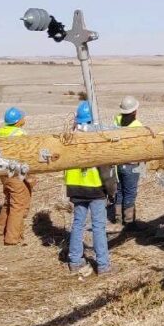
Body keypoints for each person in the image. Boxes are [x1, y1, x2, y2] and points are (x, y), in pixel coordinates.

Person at [65, 101, 116, 277]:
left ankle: (75, 261)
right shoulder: (96, 138)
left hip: (75, 188)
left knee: (78, 224)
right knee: (98, 227)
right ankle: (102, 265)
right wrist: (111, 190)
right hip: (95, 189)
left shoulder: (68, 138)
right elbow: (106, 169)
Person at [0, 107, 34, 245]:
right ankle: (12, 238)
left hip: (2, 172)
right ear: (18, 121)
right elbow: (26, 154)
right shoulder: (20, 133)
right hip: (16, 171)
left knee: (9, 200)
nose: (25, 119)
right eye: (23, 117)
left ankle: (0, 230)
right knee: (19, 204)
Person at [110, 95, 144, 230]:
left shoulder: (116, 121)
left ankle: (118, 219)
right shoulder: (138, 126)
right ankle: (129, 222)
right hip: (132, 164)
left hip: (118, 163)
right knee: (130, 192)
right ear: (135, 111)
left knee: (119, 191)